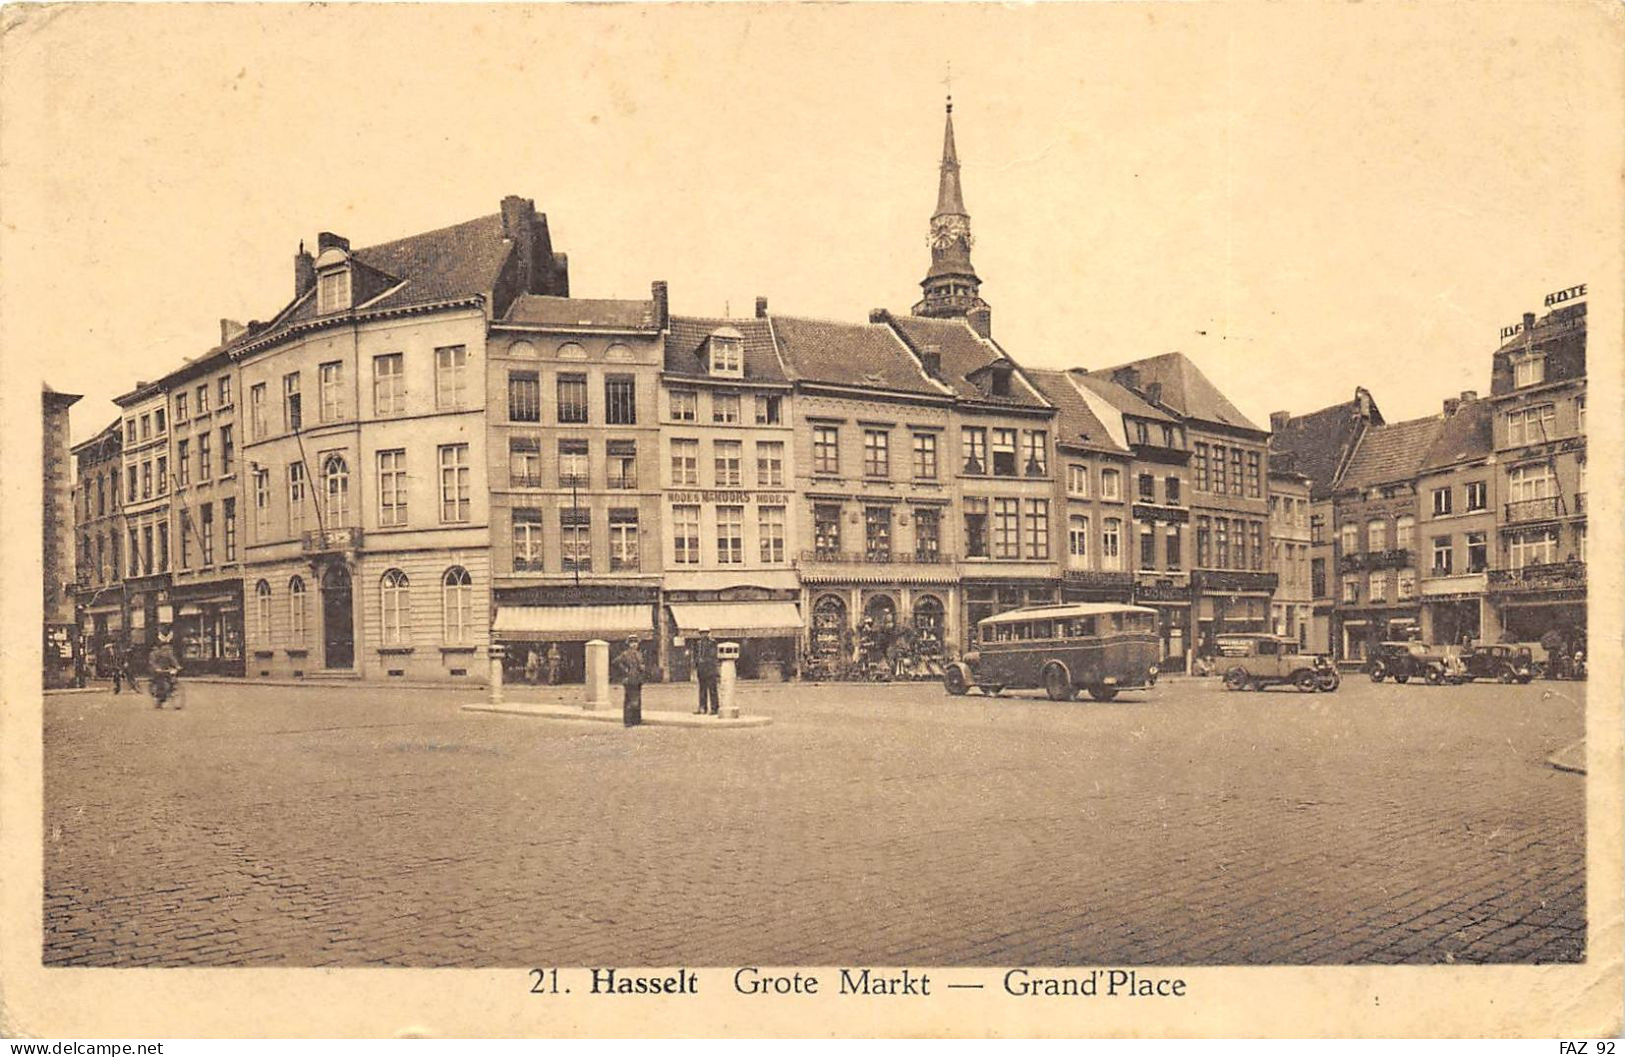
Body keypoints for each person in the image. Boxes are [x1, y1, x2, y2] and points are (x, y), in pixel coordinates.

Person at [613, 635, 647, 727]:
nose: (634, 645)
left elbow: (641, 664)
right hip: (628, 679)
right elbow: (616, 662)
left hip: (638, 678)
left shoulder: (639, 654)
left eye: (635, 643)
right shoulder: (625, 654)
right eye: (632, 643)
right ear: (629, 644)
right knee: (629, 700)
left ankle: (636, 720)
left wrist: (642, 668)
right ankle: (628, 721)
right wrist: (625, 670)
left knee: (637, 700)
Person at [147, 630, 182, 710]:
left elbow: (173, 659)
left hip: (166, 669)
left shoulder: (168, 653)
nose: (166, 648)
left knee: (172, 679)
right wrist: (156, 668)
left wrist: (177, 666)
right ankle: (160, 700)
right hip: (157, 670)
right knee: (161, 683)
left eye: (167, 646)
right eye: (164, 646)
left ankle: (173, 694)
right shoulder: (154, 653)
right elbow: (152, 662)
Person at [690, 628, 720, 715]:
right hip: (701, 669)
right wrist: (696, 664)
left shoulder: (712, 643)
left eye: (705, 633)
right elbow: (696, 655)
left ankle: (714, 708)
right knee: (702, 689)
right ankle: (702, 707)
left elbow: (713, 655)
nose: (704, 635)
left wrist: (705, 660)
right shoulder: (698, 644)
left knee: (712, 689)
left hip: (710, 669)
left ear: (708, 633)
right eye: (702, 633)